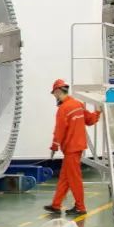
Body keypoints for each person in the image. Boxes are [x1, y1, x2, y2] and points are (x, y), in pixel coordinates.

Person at [44, 79, 101, 215]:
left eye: (54, 94)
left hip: (71, 149)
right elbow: (90, 120)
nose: (55, 96)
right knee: (65, 177)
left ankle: (80, 207)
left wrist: (54, 146)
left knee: (74, 178)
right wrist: (98, 112)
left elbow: (59, 130)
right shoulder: (78, 104)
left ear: (58, 91)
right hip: (78, 147)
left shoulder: (63, 109)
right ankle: (56, 204)